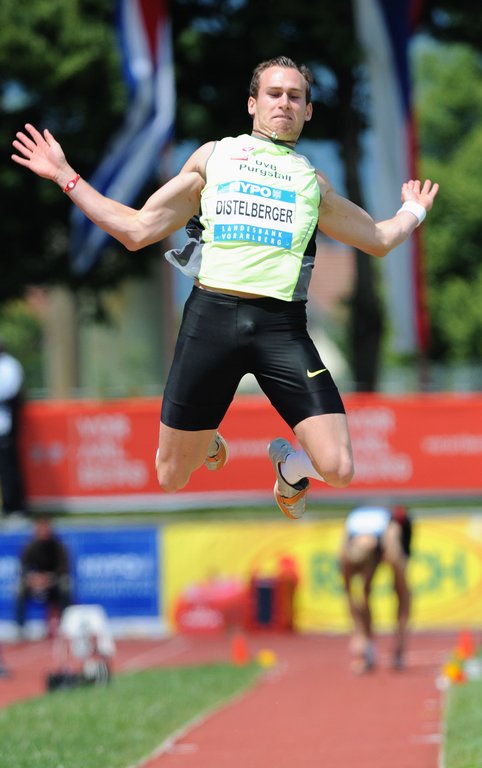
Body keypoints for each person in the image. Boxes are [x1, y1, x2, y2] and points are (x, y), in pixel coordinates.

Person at [10, 56, 439, 519]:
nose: (284, 103)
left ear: (308, 111)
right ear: (252, 104)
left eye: (295, 97)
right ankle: (205, 436)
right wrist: (65, 176)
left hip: (281, 328)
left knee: (338, 467)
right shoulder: (214, 158)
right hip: (211, 321)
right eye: (274, 94)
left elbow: (377, 239)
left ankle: (289, 467)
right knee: (171, 476)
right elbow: (136, 230)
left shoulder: (313, 184)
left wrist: (413, 210)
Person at [339, 504, 412, 673]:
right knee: (363, 592)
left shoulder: (391, 534)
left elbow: (403, 592)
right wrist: (359, 635)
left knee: (401, 589)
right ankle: (369, 645)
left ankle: (400, 646)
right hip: (363, 540)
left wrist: (400, 641)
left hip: (393, 527)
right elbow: (349, 594)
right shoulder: (345, 553)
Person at [15, 515, 72, 638]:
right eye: (40, 528)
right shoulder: (30, 546)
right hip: (35, 581)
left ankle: (65, 625)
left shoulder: (58, 546)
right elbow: (23, 568)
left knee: (65, 586)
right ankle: (20, 628)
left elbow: (64, 568)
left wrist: (49, 578)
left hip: (53, 581)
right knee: (19, 588)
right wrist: (33, 578)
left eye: (46, 528)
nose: (43, 532)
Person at [0, 340, 28, 522]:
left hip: (5, 426)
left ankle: (14, 508)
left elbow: (8, 391)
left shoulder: (8, 366)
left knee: (8, 468)